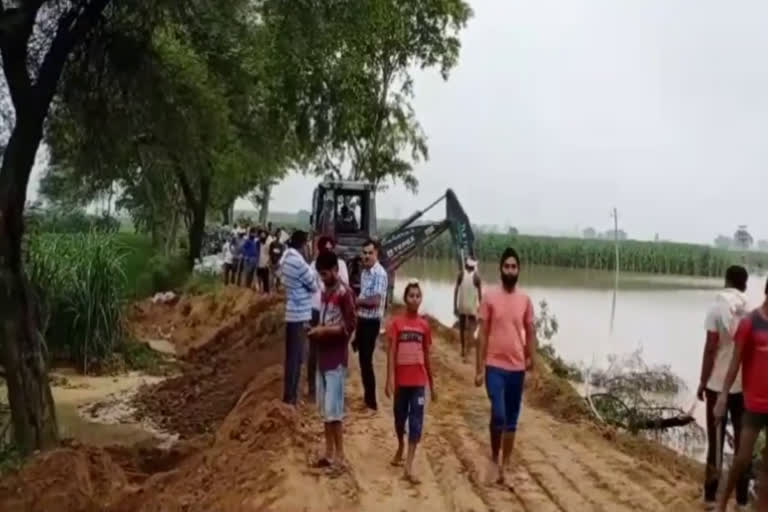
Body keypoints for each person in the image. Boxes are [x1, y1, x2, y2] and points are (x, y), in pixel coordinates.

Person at [475, 247, 536, 487]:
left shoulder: (525, 300)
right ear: (500, 269)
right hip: (494, 366)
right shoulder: (489, 296)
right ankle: (493, 455)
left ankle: (505, 466)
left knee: (511, 420)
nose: (510, 270)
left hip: (517, 368)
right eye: (507, 266)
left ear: (518, 270)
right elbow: (482, 334)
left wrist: (533, 364)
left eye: (514, 266)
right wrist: (478, 368)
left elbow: (530, 332)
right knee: (498, 415)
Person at [697, 265, 749, 509]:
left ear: (726, 280)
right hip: (743, 387)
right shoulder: (751, 310)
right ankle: (741, 499)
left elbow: (710, 348)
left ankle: (710, 496)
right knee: (742, 444)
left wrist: (702, 381)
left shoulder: (716, 308)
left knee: (715, 443)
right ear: (745, 285)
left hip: (717, 385)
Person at [715, 277, 768, 512]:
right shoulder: (750, 322)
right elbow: (734, 363)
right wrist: (723, 396)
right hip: (754, 403)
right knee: (742, 458)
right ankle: (722, 503)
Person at [307, 250, 356, 469]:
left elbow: (349, 327)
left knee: (334, 412)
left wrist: (324, 332)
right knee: (326, 412)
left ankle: (341, 456)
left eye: (326, 274)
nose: (323, 279)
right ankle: (328, 453)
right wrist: (316, 330)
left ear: (336, 270)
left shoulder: (345, 293)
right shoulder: (325, 291)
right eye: (321, 275)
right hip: (322, 357)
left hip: (336, 359)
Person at [385, 280, 436, 484]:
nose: (414, 299)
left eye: (418, 295)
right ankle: (400, 446)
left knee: (416, 422)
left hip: (418, 382)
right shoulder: (396, 324)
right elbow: (391, 353)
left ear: (420, 299)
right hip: (401, 383)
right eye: (411, 295)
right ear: (405, 298)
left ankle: (409, 466)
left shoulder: (424, 326)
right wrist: (389, 379)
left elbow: (427, 355)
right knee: (399, 420)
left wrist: (432, 385)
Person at [308, 236, 350, 400]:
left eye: (330, 248)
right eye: (325, 249)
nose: (328, 251)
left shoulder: (341, 265)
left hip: (334, 310)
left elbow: (344, 286)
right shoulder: (313, 266)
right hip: (316, 309)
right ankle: (313, 387)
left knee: (334, 347)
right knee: (314, 349)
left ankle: (334, 385)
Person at [279, 230, 317, 405]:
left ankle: (290, 395)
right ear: (303, 244)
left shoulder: (286, 258)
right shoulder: (298, 262)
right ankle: (291, 398)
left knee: (292, 356)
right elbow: (313, 284)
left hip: (292, 312)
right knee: (296, 357)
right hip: (300, 314)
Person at [354, 239, 389, 412]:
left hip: (372, 322)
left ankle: (372, 403)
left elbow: (375, 301)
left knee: (366, 361)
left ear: (377, 254)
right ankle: (367, 398)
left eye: (370, 253)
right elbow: (364, 298)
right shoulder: (365, 273)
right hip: (362, 320)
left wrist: (357, 301)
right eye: (365, 253)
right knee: (362, 360)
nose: (367, 256)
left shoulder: (379, 274)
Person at [454, 257, 482, 362]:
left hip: (462, 304)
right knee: (471, 329)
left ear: (466, 265)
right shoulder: (477, 277)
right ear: (474, 266)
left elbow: (456, 290)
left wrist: (455, 305)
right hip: (471, 306)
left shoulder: (461, 274)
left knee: (462, 328)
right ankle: (467, 352)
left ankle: (462, 349)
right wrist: (481, 308)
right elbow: (480, 295)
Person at [257, 229, 273, 293]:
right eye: (261, 235)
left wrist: (268, 263)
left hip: (265, 264)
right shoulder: (258, 243)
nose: (262, 236)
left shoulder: (268, 244)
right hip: (259, 263)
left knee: (265, 279)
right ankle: (260, 290)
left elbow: (270, 254)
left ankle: (266, 291)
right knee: (259, 278)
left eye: (264, 235)